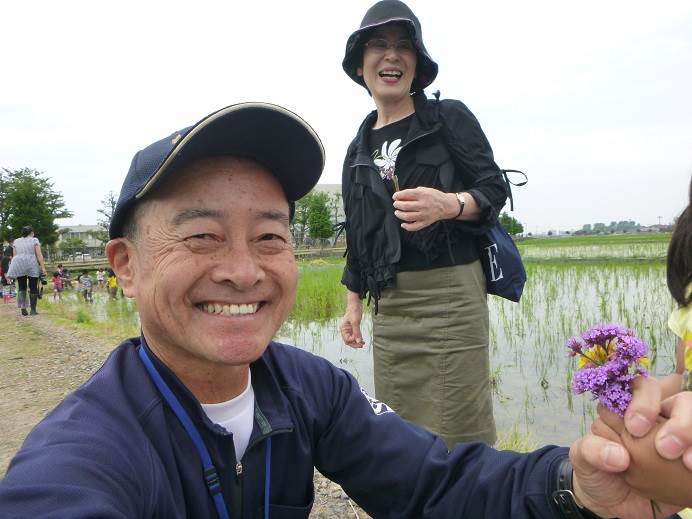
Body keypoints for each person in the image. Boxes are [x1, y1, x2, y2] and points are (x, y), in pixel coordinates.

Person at [1, 102, 691, 519]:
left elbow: (436, 484)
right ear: (124, 264)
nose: (244, 268)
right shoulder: (84, 453)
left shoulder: (306, 387)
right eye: (202, 235)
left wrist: (576, 487)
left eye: (270, 235)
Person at [339, 0, 507, 447]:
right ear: (361, 64)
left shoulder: (446, 117)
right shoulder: (357, 146)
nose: (391, 55)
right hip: (389, 307)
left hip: (449, 296)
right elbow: (358, 234)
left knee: (460, 431)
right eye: (378, 45)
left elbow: (494, 189)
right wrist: (354, 303)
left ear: (417, 63)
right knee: (401, 430)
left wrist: (450, 204)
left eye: (403, 46)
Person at [6, 225, 47, 315]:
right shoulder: (34, 240)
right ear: (31, 232)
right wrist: (43, 268)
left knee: (22, 287)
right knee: (33, 287)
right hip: (31, 263)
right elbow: (39, 255)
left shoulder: (16, 241)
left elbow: (15, 256)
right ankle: (33, 310)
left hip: (19, 264)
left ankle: (23, 308)